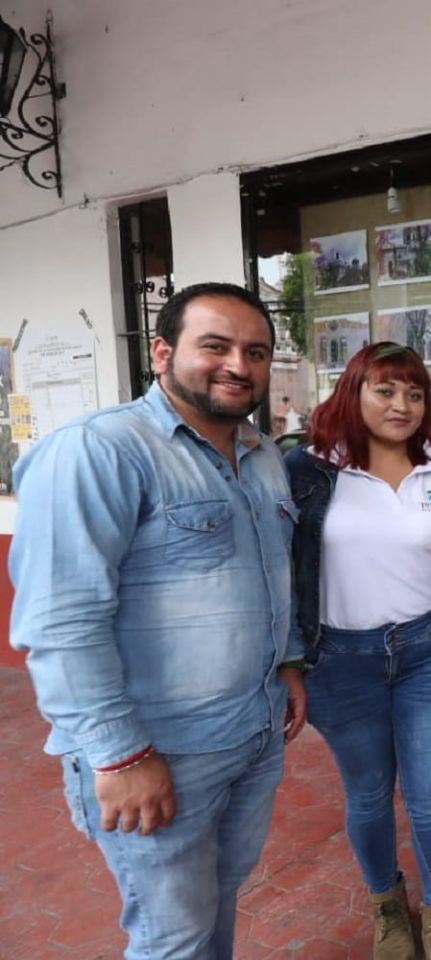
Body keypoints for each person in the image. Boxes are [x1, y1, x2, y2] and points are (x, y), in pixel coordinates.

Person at [8, 282, 306, 959]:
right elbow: (61, 620)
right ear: (163, 353)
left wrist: (288, 661)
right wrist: (119, 753)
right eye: (215, 346)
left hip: (253, 733)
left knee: (216, 902)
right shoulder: (99, 450)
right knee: (172, 938)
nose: (238, 365)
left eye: (256, 352)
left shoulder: (261, 453)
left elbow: (274, 569)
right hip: (159, 753)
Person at [286, 342, 431, 960]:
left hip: (429, 652)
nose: (401, 404)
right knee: (370, 794)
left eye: (414, 393)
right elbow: (277, 564)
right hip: (339, 661)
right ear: (353, 393)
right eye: (385, 390)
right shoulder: (309, 468)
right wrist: (288, 658)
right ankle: (387, 906)